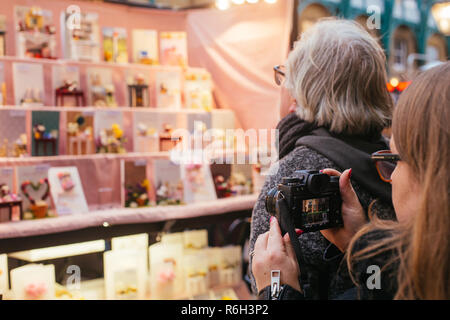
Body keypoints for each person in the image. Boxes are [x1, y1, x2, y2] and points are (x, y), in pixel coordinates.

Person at [252, 62, 450, 300]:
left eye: (394, 160)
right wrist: (358, 242)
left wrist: (276, 290)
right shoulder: (433, 270)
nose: (391, 177)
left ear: (433, 177)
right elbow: (384, 290)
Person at [248, 19, 396, 299]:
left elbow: (267, 279)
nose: (282, 87)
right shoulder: (393, 161)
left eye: (285, 76)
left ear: (299, 93)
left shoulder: (295, 171)